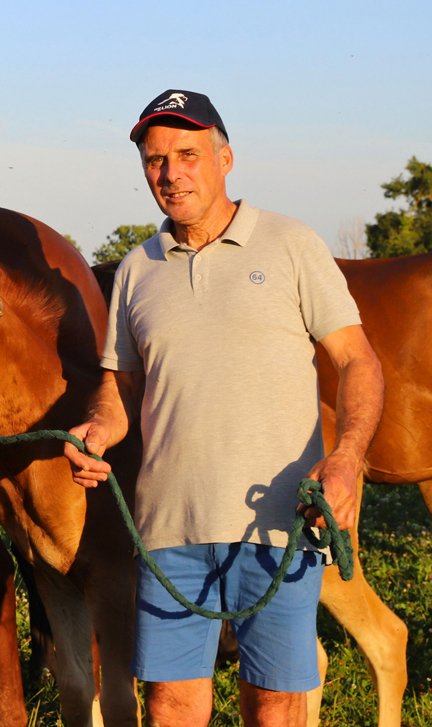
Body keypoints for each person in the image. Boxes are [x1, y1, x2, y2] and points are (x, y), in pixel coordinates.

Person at [63, 90, 384, 726]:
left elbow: (358, 361)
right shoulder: (137, 270)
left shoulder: (291, 244)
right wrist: (99, 427)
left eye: (187, 154)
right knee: (170, 706)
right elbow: (122, 386)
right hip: (169, 531)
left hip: (278, 525)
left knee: (274, 706)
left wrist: (347, 457)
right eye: (156, 160)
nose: (171, 173)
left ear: (225, 158)